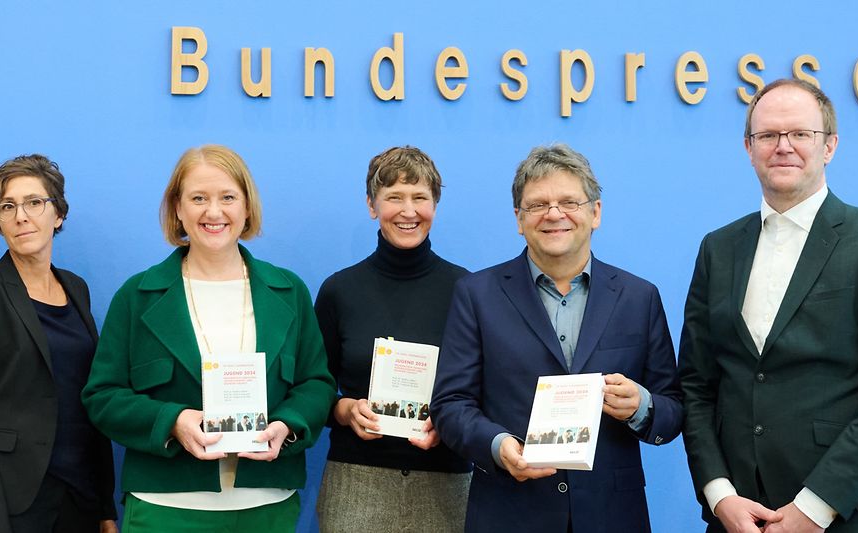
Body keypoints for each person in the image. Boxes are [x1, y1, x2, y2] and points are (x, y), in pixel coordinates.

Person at [678, 78, 858, 533]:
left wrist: (813, 510)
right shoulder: (717, 249)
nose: (783, 147)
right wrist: (719, 496)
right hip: (740, 517)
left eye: (800, 134)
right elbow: (697, 385)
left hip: (848, 513)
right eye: (768, 135)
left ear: (829, 146)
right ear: (748, 146)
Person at [429, 144, 683, 533]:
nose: (553, 214)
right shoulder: (476, 294)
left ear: (595, 212)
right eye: (537, 204)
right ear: (518, 218)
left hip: (613, 515)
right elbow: (450, 404)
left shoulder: (639, 296)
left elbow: (674, 407)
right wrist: (498, 446)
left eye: (569, 201)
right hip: (509, 511)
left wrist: (641, 405)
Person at [82, 144, 335, 532]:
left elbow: (315, 383)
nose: (213, 212)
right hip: (164, 507)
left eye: (228, 197)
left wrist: (286, 425)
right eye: (198, 198)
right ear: (178, 209)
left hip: (266, 506)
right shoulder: (137, 295)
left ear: (247, 207)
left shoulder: (289, 291)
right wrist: (173, 421)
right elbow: (102, 396)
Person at [0, 154, 117, 533]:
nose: (21, 216)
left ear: (59, 215)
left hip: (78, 496)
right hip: (10, 500)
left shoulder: (76, 288)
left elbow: (91, 398)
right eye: (7, 206)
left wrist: (105, 507)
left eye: (34, 202)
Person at [312, 146, 473, 533]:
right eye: (394, 197)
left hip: (446, 484)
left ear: (435, 204)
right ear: (372, 205)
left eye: (420, 197)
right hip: (356, 483)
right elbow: (313, 391)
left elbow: (482, 389)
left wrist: (449, 423)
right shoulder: (339, 290)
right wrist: (347, 411)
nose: (408, 210)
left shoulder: (467, 290)